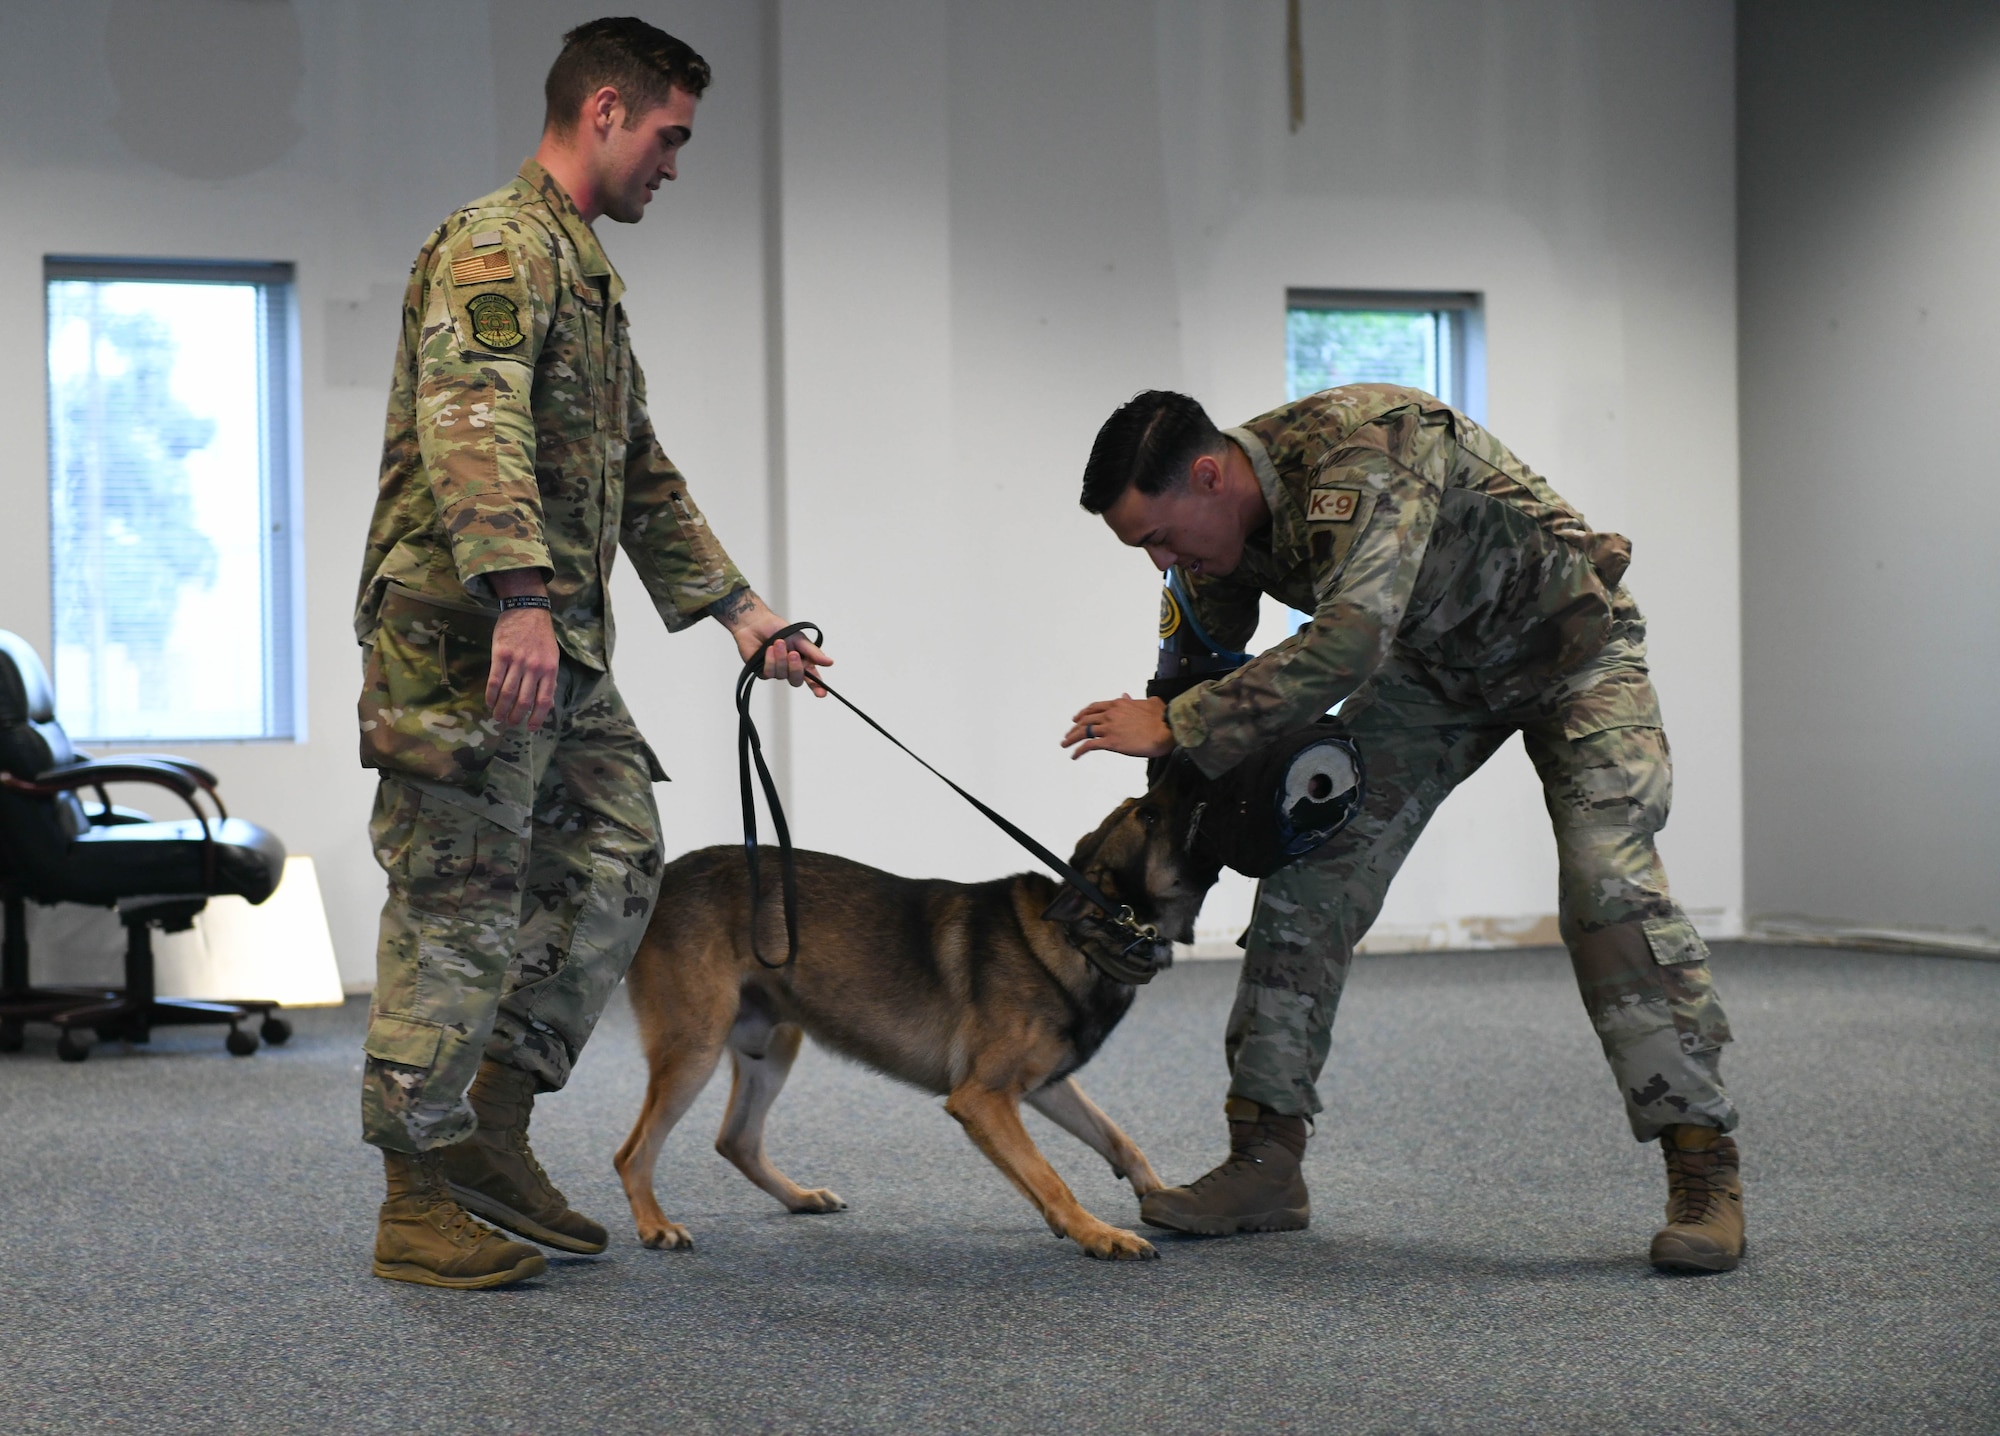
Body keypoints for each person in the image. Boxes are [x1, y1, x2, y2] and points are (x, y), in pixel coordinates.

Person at [352, 18, 828, 1289]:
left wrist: (739, 610)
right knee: (453, 906)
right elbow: (471, 420)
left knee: (618, 852)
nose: (675, 163)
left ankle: (488, 1126)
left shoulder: (586, 276)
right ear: (607, 110)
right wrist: (516, 592)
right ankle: (414, 1191)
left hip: (549, 645)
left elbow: (638, 472)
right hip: (465, 640)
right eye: (670, 136)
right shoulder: (497, 245)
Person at [1061, 387, 1744, 1274]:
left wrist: (1181, 723)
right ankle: (1264, 1161)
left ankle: (1703, 1167)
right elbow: (1198, 675)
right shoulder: (1206, 544)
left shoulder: (1364, 452)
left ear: (1208, 474)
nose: (1160, 561)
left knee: (1605, 885)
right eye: (1142, 546)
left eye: (1159, 537)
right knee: (1311, 871)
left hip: (1574, 649)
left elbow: (1346, 645)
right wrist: (1161, 838)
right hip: (1432, 675)